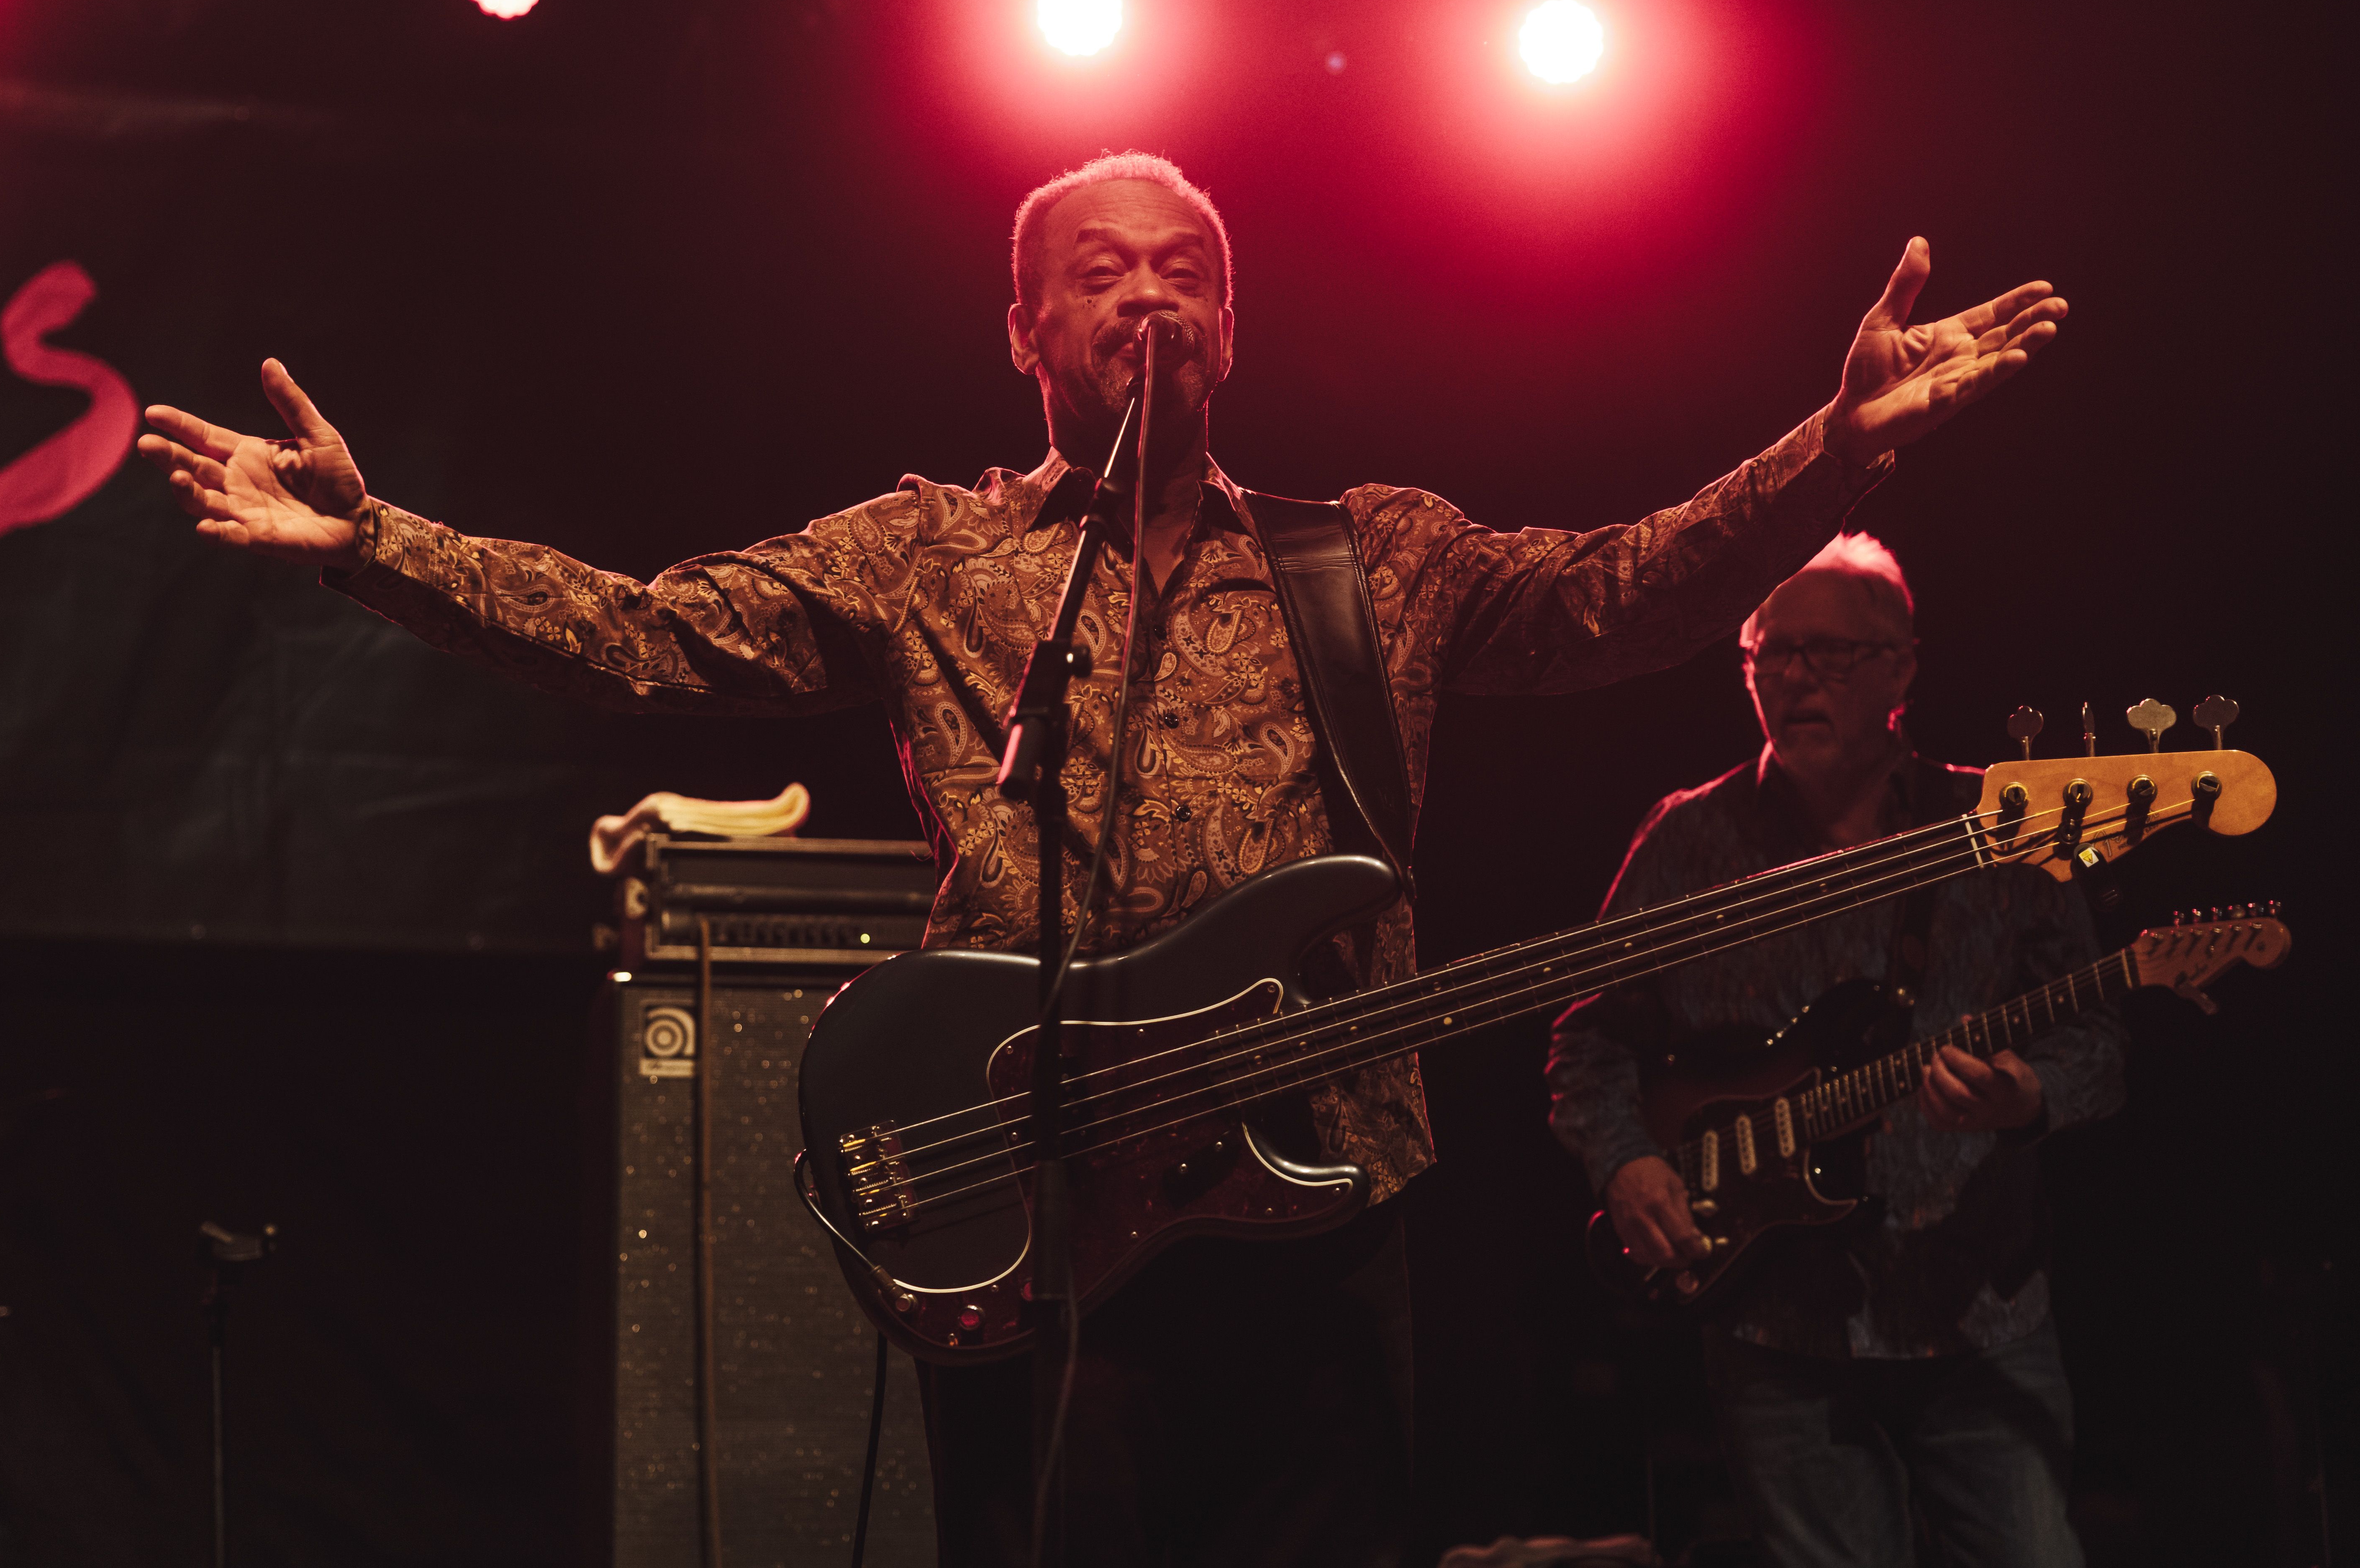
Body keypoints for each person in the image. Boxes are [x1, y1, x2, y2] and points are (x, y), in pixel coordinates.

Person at [137, 152, 2068, 1566]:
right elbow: (650, 636)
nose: (1149, 295)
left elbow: (1617, 593)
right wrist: (378, 545)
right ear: (1024, 330)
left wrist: (1830, 450)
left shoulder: (1369, 555)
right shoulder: (927, 554)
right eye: (1100, 270)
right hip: (1037, 1195)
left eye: (1185, 270)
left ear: (1231, 326)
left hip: (1317, 1201)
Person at [1545, 533, 2121, 1568]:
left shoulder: (2001, 825)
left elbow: (2098, 1039)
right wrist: (1624, 1162)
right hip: (1776, 1323)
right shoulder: (1686, 840)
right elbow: (1591, 1037)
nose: (1799, 677)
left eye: (1834, 653)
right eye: (1776, 653)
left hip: (1977, 1311)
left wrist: (2027, 1091)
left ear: (1902, 670)